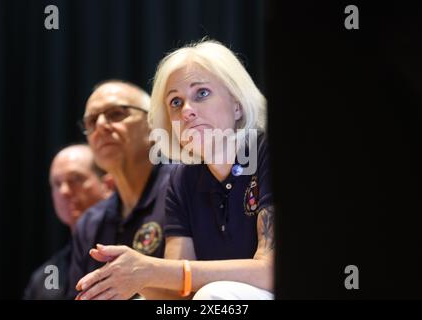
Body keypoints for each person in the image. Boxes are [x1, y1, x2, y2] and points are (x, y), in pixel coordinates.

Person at [74, 40, 275, 300]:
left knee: (216, 295)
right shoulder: (182, 178)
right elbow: (176, 293)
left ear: (237, 104)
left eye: (201, 93)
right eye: (176, 102)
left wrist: (152, 269)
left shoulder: (267, 149)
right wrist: (128, 277)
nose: (187, 111)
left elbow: (271, 271)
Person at [68, 80, 175, 299]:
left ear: (154, 124)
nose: (100, 126)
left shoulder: (184, 185)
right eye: (91, 121)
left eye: (116, 114)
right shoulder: (89, 224)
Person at [24, 144, 113, 299]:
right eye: (57, 184)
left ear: (108, 185)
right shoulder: (44, 278)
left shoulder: (130, 254)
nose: (64, 191)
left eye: (75, 178)